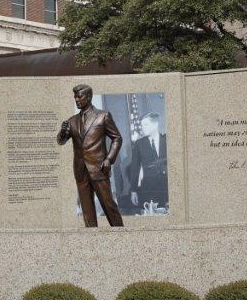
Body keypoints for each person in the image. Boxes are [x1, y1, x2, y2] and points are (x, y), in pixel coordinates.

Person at [56, 84, 124, 228]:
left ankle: (121, 235)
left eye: (79, 96)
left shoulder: (103, 116)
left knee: (108, 205)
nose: (76, 99)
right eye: (75, 96)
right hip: (81, 171)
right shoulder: (72, 121)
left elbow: (117, 138)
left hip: (99, 168)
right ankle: (92, 241)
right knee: (87, 210)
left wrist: (109, 159)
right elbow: (61, 141)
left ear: (89, 97)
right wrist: (62, 132)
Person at [125, 112, 168, 211]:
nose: (142, 128)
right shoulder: (139, 144)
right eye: (142, 125)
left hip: (168, 188)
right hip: (149, 189)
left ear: (155, 124)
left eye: (146, 125)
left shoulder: (167, 140)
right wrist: (133, 191)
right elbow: (134, 169)